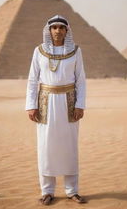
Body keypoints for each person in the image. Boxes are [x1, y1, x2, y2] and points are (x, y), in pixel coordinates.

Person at [25, 15, 87, 205]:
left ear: (67, 31)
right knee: (46, 148)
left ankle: (72, 190)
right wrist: (31, 105)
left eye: (61, 28)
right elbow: (33, 80)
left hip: (68, 104)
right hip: (45, 103)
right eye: (54, 28)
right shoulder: (39, 51)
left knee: (69, 148)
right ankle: (47, 191)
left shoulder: (76, 51)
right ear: (49, 30)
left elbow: (81, 80)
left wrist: (80, 105)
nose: (58, 31)